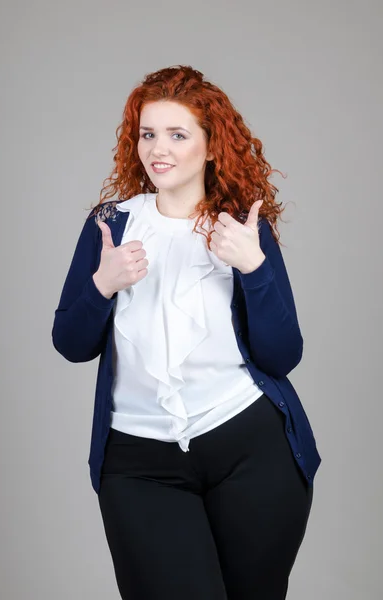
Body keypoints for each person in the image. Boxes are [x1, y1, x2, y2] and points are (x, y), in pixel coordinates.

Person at [52, 64, 322, 599]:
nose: (159, 149)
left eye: (178, 135)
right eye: (148, 134)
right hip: (138, 464)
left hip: (252, 453)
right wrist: (102, 285)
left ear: (212, 145)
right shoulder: (112, 222)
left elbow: (282, 355)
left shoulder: (244, 230)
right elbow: (71, 344)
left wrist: (255, 268)